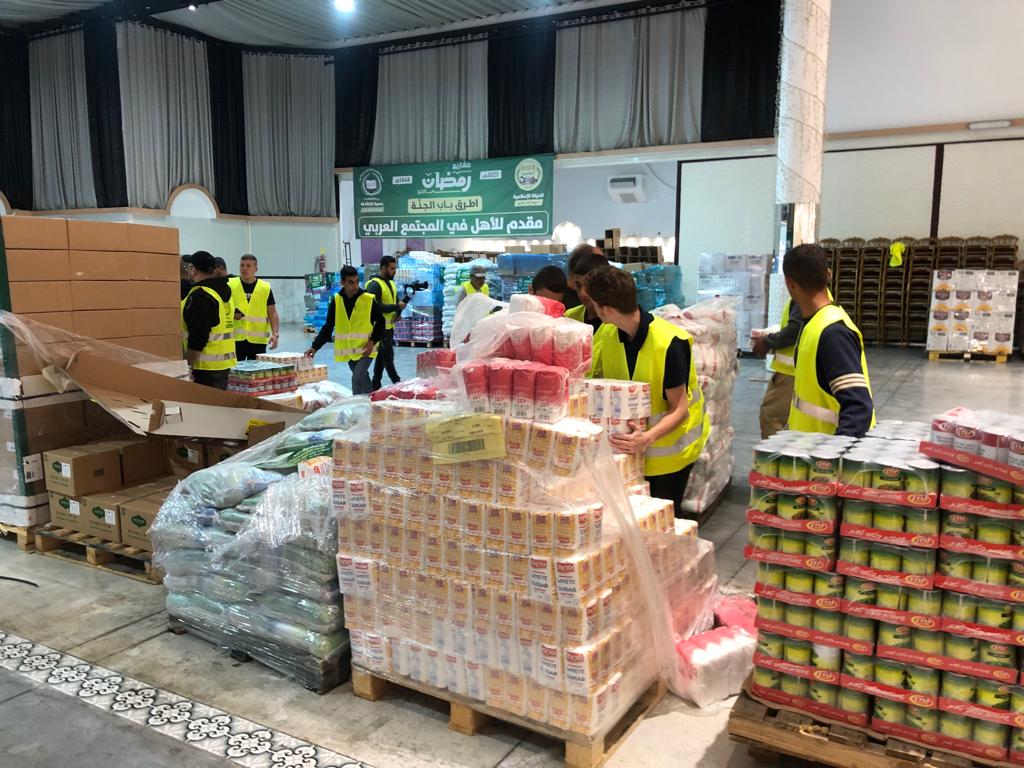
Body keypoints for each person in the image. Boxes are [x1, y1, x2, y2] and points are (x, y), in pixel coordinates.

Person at [586, 266, 710, 517]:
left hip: (668, 456)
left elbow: (680, 409)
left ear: (605, 309)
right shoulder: (607, 333)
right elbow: (592, 379)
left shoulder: (669, 342)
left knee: (662, 524)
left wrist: (646, 438)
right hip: (628, 454)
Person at [784, 244, 875, 437]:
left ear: (790, 284)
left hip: (825, 451)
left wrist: (834, 454)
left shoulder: (832, 333)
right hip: (808, 447)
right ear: (829, 274)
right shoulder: (814, 324)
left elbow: (858, 408)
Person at [305, 265, 385, 395]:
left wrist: (372, 341)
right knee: (363, 378)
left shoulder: (368, 299)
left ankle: (356, 405)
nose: (355, 286)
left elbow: (381, 322)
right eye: (351, 282)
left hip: (367, 348)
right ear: (342, 283)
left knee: (357, 378)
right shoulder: (337, 301)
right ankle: (372, 400)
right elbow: (328, 326)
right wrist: (315, 347)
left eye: (357, 281)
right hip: (350, 350)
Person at [181, 251, 236, 389]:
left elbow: (199, 335)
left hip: (204, 368)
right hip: (223, 364)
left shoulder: (200, 295)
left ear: (194, 270)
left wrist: (188, 366)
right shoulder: (223, 290)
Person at [752, 299, 804, 438]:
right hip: (798, 372)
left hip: (789, 374)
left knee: (771, 417)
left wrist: (767, 342)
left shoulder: (803, 296)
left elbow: (794, 330)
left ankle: (777, 453)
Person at [364, 255, 408, 391]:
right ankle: (397, 382)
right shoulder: (374, 285)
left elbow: (394, 301)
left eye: (395, 268)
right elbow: (375, 307)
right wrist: (396, 307)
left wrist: (398, 312)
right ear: (383, 268)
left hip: (389, 326)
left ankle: (375, 383)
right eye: (392, 268)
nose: (394, 271)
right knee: (388, 356)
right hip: (378, 327)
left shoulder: (391, 283)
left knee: (382, 356)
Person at [228, 254, 279, 361]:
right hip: (235, 339)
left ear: (256, 269)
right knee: (236, 370)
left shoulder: (265, 287)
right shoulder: (230, 284)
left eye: (248, 266)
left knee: (257, 370)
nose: (244, 268)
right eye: (242, 265)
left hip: (258, 340)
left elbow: (272, 313)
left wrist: (275, 334)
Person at [564, 251, 609, 333]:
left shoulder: (620, 323)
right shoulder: (570, 317)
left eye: (589, 285)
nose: (582, 293)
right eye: (578, 285)